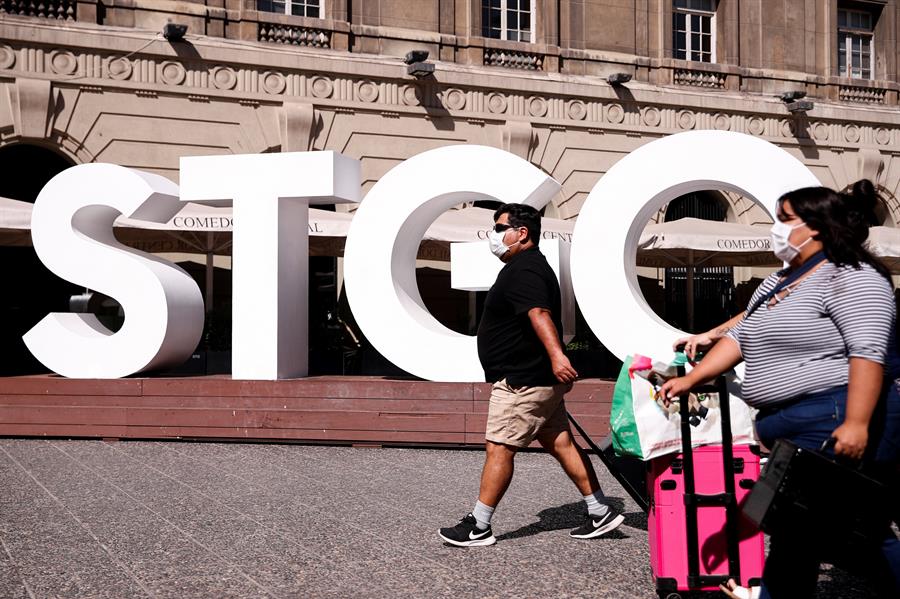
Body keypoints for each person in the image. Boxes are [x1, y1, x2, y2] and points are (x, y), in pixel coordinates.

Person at [660, 180, 900, 598]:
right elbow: (741, 336)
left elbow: (867, 351)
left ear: (817, 226)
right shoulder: (779, 282)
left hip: (832, 417)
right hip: (791, 423)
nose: (777, 229)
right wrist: (691, 379)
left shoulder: (852, 277)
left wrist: (857, 423)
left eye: (786, 219)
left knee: (848, 533)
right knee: (800, 532)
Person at [438, 203, 624, 547]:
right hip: (535, 378)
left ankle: (479, 525)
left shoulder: (525, 269)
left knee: (499, 446)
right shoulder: (526, 266)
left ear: (522, 233)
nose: (494, 235)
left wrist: (557, 356)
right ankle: (600, 510)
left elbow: (538, 313)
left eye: (499, 228)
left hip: (522, 381)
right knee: (560, 442)